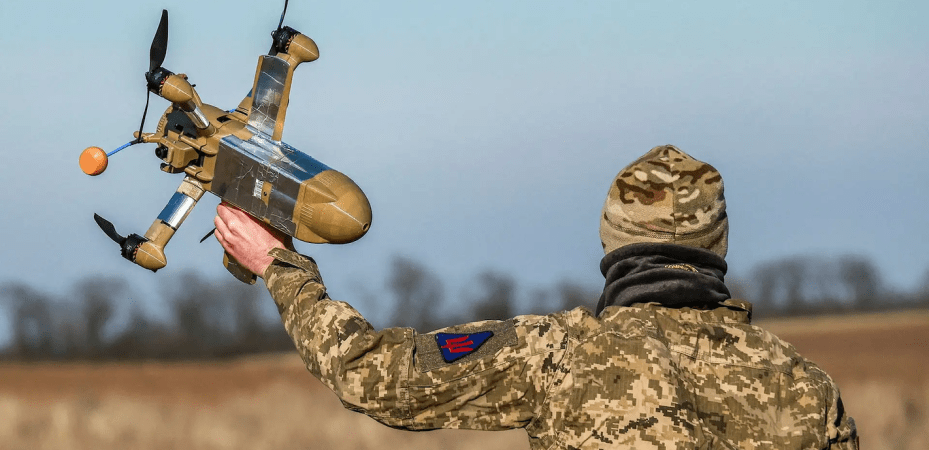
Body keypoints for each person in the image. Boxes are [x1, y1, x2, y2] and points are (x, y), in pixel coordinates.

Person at [214, 145, 858, 449]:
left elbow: (374, 376)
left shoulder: (560, 352)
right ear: (717, 244)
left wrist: (278, 265)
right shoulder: (804, 388)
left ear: (612, 242)